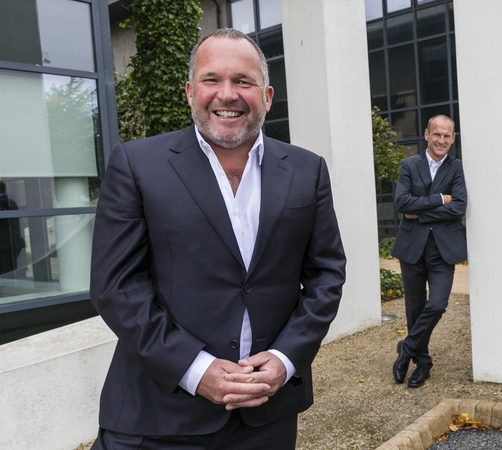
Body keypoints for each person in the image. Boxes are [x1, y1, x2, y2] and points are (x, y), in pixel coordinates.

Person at [90, 28, 346, 449]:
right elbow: (115, 286)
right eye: (212, 80)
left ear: (266, 96)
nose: (226, 94)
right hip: (157, 417)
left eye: (243, 81)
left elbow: (327, 274)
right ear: (191, 92)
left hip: (267, 418)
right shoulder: (136, 165)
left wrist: (285, 359)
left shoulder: (307, 170)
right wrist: (194, 368)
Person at [390, 115, 467, 388]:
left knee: (437, 304)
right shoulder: (409, 165)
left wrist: (419, 213)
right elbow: (401, 202)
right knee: (415, 309)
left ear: (453, 138)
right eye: (437, 134)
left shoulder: (456, 168)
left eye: (447, 136)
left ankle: (406, 349)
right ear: (426, 134)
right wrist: (438, 200)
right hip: (412, 248)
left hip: (442, 250)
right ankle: (422, 364)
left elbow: (458, 207)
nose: (441, 140)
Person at [0, 180, 24, 276]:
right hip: (8, 244)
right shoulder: (10, 203)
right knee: (7, 270)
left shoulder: (4, 202)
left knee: (6, 271)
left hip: (5, 245)